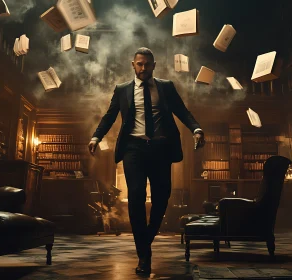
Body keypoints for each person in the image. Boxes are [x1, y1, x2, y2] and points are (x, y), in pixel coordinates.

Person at [88, 47, 205, 275]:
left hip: (161, 148)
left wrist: (197, 129)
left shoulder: (166, 87)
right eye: (139, 64)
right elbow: (109, 116)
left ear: (153, 65)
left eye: (147, 64)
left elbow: (182, 111)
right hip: (134, 148)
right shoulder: (122, 90)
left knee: (163, 197)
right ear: (133, 65)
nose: (143, 68)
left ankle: (146, 239)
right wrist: (96, 136)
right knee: (136, 197)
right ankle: (144, 255)